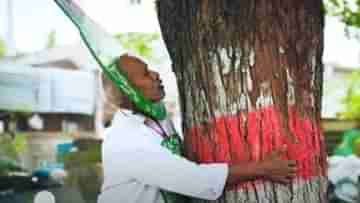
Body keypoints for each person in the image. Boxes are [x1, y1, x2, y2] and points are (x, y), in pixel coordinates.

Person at [97, 54, 297, 203]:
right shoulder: (125, 141)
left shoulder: (156, 116)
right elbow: (193, 179)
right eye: (145, 74)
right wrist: (263, 168)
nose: (155, 75)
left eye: (149, 69)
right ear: (128, 90)